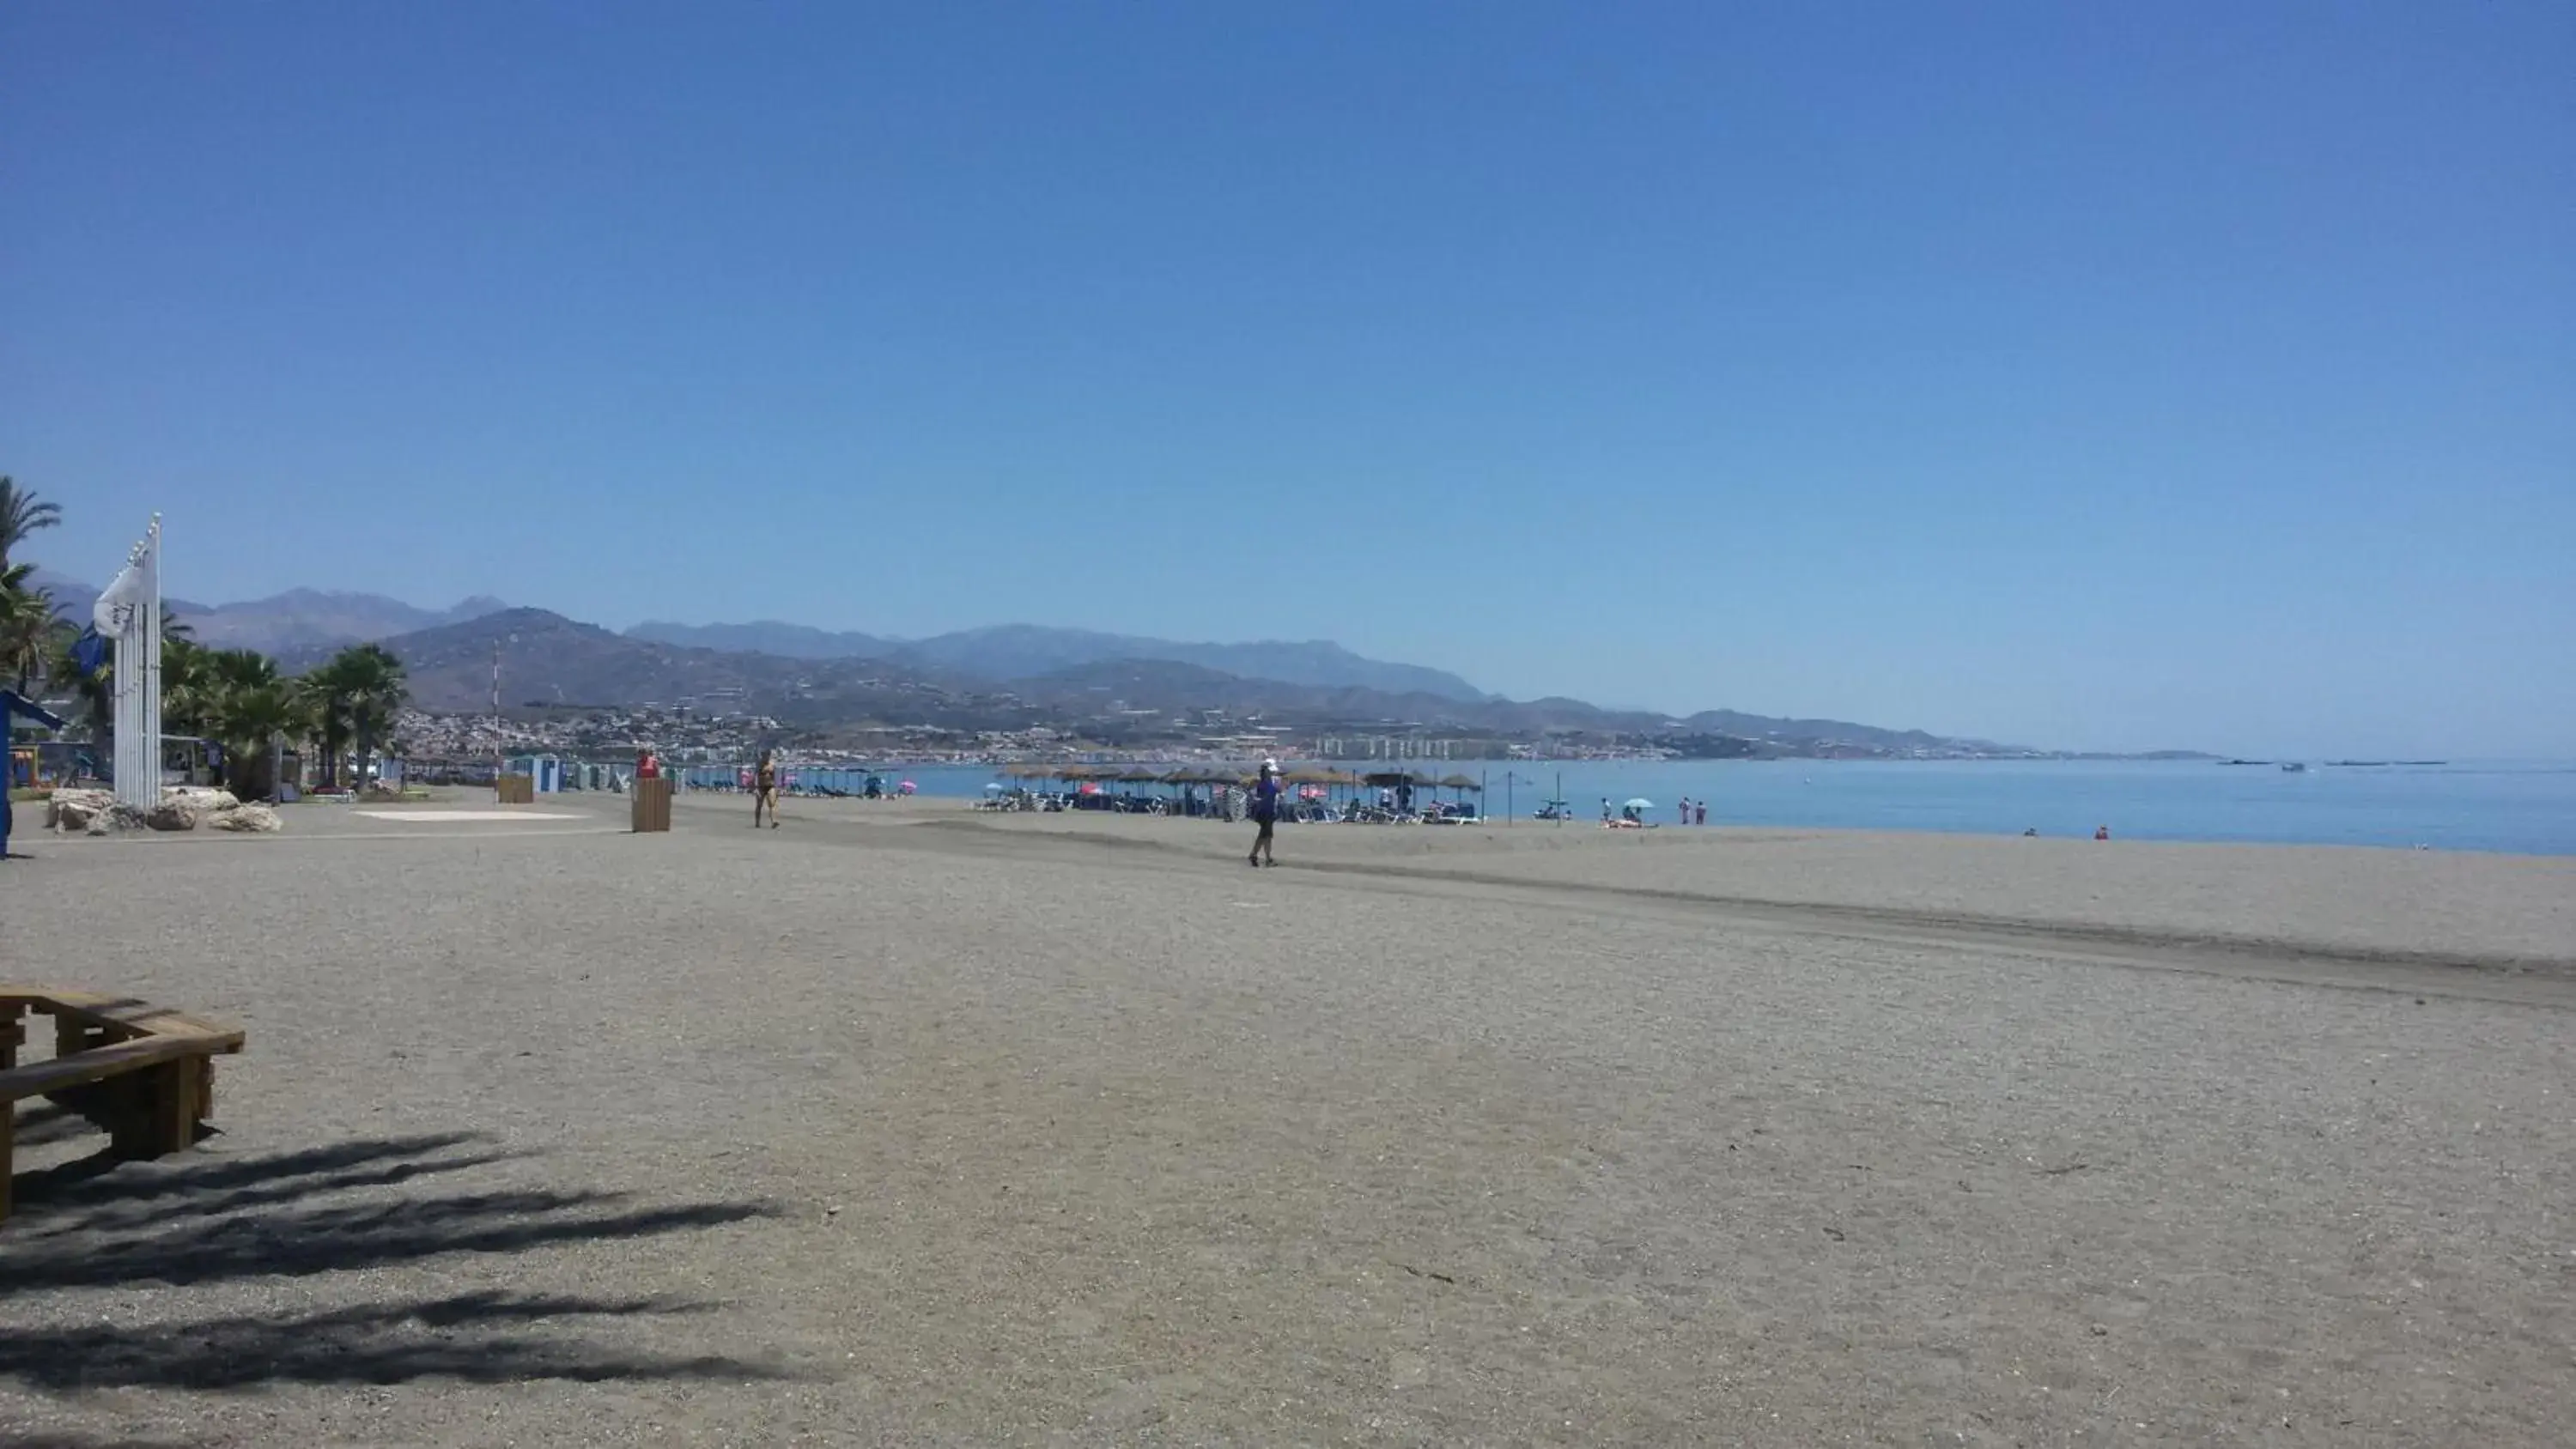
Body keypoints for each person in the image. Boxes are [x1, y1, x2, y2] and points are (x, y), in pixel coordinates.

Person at [1248, 759, 1284, 867]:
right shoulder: (1267, 784)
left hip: (1263, 812)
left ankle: (1255, 855)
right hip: (1266, 812)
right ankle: (1266, 858)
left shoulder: (1262, 783)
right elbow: (1275, 792)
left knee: (1264, 836)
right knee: (1266, 836)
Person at [753, 751, 781, 828]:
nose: (767, 757)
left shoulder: (772, 764)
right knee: (759, 805)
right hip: (761, 787)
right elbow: (755, 776)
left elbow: (776, 776)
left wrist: (777, 788)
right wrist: (756, 788)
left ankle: (774, 821)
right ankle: (757, 822)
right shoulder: (759, 765)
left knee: (772, 804)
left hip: (770, 786)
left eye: (768, 755)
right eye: (765, 755)